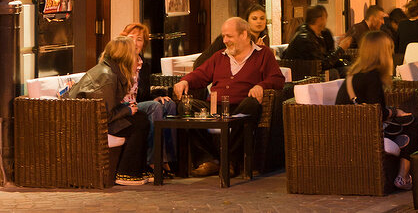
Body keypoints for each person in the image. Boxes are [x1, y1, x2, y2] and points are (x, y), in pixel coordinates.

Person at [173, 16, 285, 176]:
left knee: (251, 105)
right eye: (224, 36)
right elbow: (200, 74)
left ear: (244, 35)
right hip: (215, 107)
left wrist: (261, 85)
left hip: (241, 106)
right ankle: (207, 160)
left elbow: (278, 79)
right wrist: (185, 81)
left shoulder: (263, 54)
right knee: (186, 106)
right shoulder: (220, 56)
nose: (224, 40)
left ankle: (231, 161)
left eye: (229, 36)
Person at [336, 30, 416, 191]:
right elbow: (377, 112)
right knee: (414, 122)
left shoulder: (354, 74)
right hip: (365, 131)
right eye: (389, 49)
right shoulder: (372, 76)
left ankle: (400, 146)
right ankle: (403, 176)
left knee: (405, 125)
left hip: (348, 128)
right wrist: (395, 112)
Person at [69, 35, 150, 186]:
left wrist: (127, 109)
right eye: (134, 54)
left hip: (95, 119)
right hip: (88, 125)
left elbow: (107, 107)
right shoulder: (106, 77)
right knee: (140, 122)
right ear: (125, 57)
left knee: (141, 117)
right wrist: (127, 111)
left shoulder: (112, 71)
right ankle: (126, 172)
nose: (137, 58)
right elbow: (103, 115)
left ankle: (137, 169)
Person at [121, 21, 177, 175]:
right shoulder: (118, 62)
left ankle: (168, 160)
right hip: (125, 106)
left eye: (139, 39)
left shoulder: (144, 64)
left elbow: (143, 93)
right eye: (131, 38)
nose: (135, 43)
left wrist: (158, 96)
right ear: (123, 40)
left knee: (169, 105)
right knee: (155, 107)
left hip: (138, 102)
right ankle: (153, 162)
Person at [193, 2, 270, 69]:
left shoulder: (264, 39)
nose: (259, 22)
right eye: (254, 19)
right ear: (247, 21)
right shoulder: (236, 38)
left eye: (262, 18)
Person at [282, 5, 346, 74]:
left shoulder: (323, 34)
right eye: (325, 17)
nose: (326, 21)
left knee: (347, 69)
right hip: (302, 74)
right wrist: (340, 49)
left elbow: (328, 56)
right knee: (333, 73)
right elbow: (321, 65)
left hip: (314, 70)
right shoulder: (304, 38)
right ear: (320, 19)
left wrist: (344, 62)